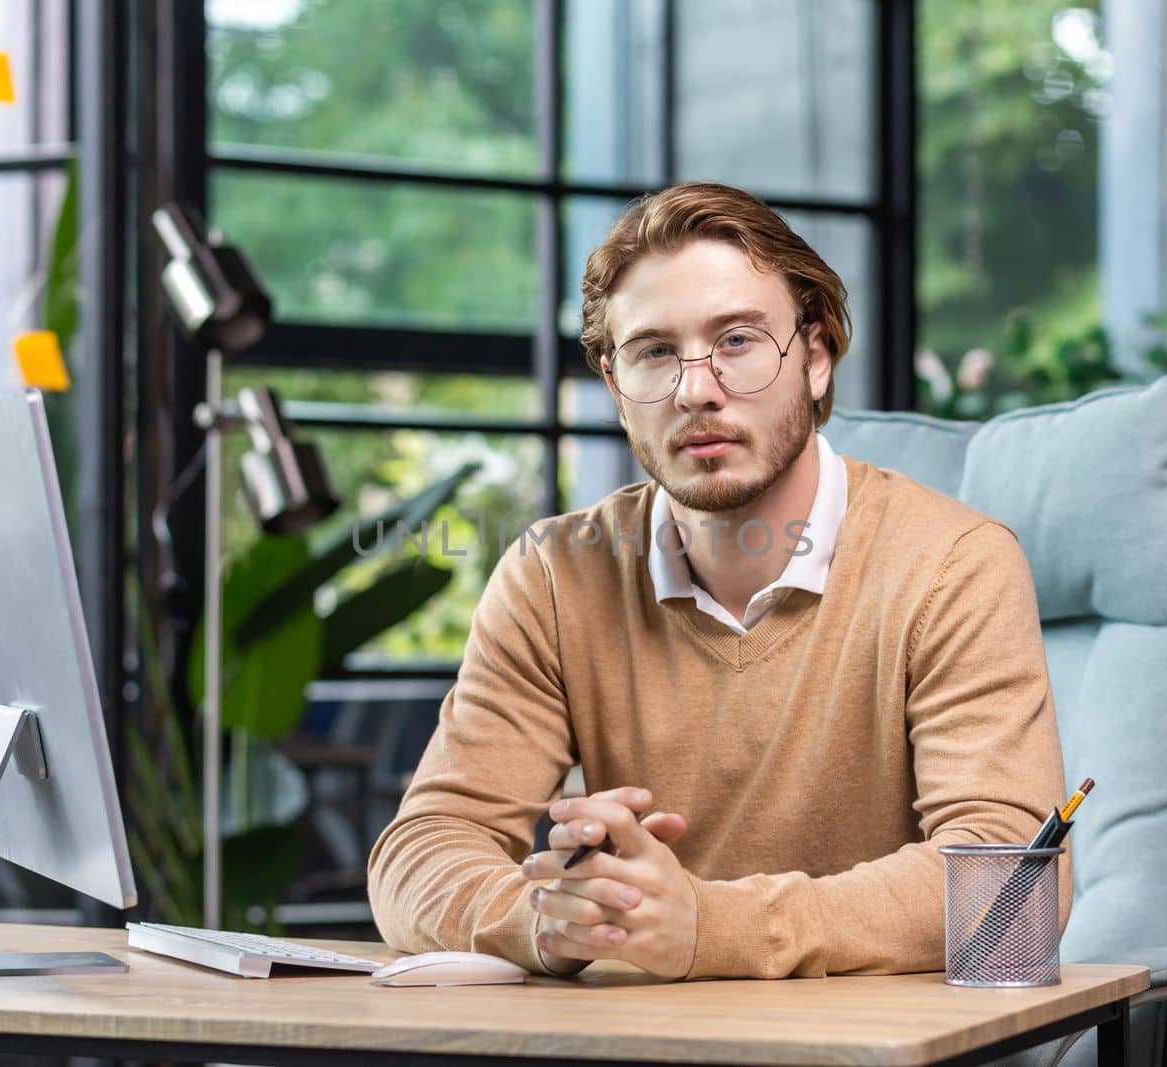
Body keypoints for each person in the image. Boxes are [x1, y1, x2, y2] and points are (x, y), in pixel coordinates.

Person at [367, 181, 1070, 980]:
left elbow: (1011, 885)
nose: (694, 388)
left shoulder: (955, 566)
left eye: (736, 341)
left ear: (815, 357)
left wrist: (710, 925)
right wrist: (553, 918)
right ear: (614, 385)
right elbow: (421, 850)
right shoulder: (553, 575)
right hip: (642, 1049)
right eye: (655, 351)